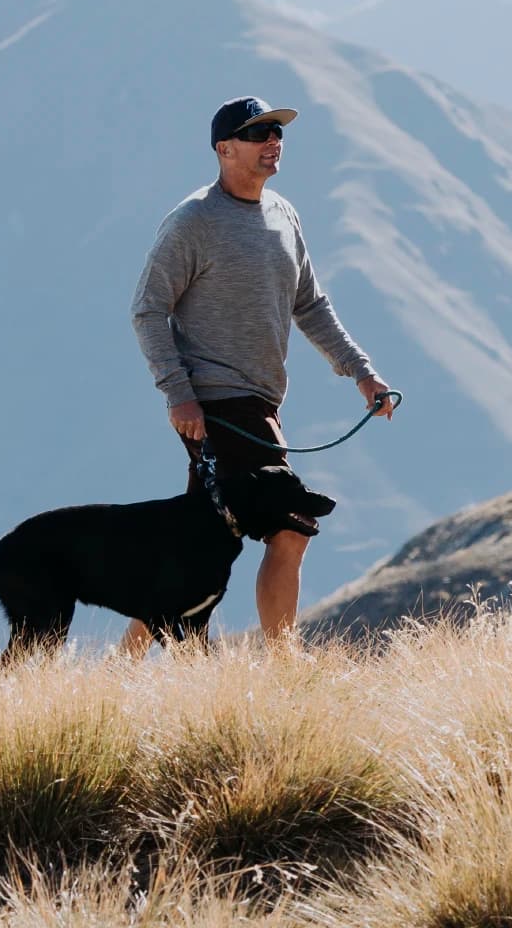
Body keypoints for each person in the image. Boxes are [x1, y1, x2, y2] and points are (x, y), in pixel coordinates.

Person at [126, 96, 393, 651]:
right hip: (215, 405)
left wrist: (361, 373)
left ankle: (119, 669)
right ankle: (282, 666)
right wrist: (179, 395)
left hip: (261, 403)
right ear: (224, 149)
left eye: (277, 131)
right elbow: (148, 309)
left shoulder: (283, 215)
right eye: (258, 134)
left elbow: (311, 304)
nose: (274, 141)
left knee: (199, 545)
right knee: (291, 523)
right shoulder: (192, 222)